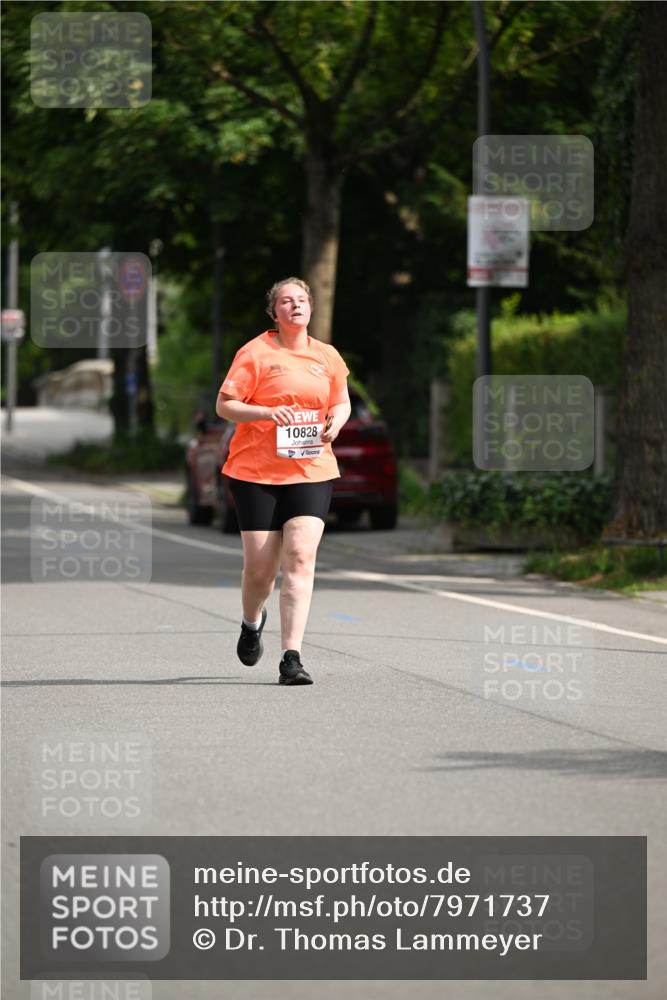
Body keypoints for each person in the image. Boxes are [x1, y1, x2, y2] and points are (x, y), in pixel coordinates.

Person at [216, 278, 351, 686]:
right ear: (274, 313)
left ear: (310, 308)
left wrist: (336, 422)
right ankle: (251, 621)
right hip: (255, 473)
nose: (296, 306)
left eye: (302, 300)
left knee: (300, 557)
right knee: (260, 571)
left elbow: (340, 401)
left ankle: (291, 657)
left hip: (311, 469)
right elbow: (225, 405)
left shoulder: (327, 356)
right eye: (287, 301)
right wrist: (266, 413)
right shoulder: (255, 353)